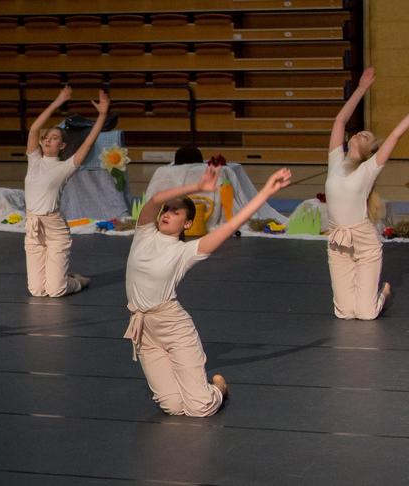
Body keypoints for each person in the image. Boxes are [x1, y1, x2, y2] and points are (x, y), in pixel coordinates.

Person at [123, 165, 292, 416]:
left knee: (200, 408)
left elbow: (231, 225)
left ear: (187, 223)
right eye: (167, 210)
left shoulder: (185, 252)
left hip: (172, 326)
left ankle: (219, 388)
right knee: (173, 407)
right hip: (143, 330)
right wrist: (198, 186)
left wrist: (266, 191)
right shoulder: (144, 232)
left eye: (176, 211)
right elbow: (156, 199)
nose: (167, 213)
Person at [325, 67, 401, 319]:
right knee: (344, 313)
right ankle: (361, 293)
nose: (359, 133)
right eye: (359, 132)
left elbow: (395, 136)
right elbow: (340, 121)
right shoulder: (336, 161)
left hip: (364, 243)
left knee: (366, 314)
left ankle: (383, 293)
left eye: (366, 136)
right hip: (338, 242)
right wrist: (362, 88)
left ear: (369, 150)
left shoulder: (368, 169)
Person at [24, 85, 109, 297]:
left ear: (62, 146)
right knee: (37, 291)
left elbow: (87, 144)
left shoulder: (65, 167)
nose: (48, 139)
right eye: (47, 137)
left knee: (55, 291)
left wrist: (102, 115)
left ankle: (78, 281)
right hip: (33, 228)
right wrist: (57, 102)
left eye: (54, 138)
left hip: (54, 230)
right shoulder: (34, 160)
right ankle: (62, 275)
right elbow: (34, 129)